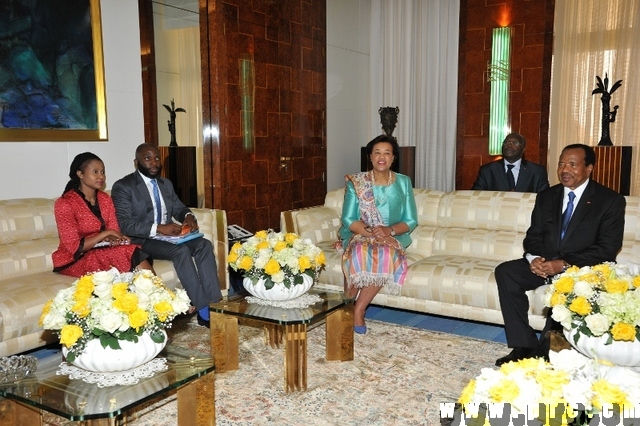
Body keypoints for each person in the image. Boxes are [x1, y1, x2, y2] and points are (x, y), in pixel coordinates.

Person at [494, 144, 625, 366]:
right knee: (506, 272)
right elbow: (533, 236)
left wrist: (563, 264)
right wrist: (534, 259)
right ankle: (523, 345)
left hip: (582, 270)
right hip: (546, 264)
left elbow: (607, 248)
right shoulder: (546, 197)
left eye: (573, 164)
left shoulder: (609, 201)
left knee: (562, 296)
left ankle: (548, 351)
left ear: (589, 168)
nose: (565, 169)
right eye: (561, 164)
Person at [111, 143, 222, 327]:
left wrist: (188, 217)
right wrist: (159, 228)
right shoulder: (123, 186)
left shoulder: (165, 183)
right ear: (136, 162)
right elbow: (125, 224)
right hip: (143, 240)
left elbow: (179, 208)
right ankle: (203, 311)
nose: (154, 163)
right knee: (181, 252)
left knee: (204, 244)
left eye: (156, 158)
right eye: (147, 158)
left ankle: (215, 304)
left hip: (168, 237)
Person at [338, 135, 418, 334]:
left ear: (393, 158)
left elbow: (410, 220)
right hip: (360, 232)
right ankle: (346, 305)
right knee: (360, 251)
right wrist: (371, 233)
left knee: (385, 254)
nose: (382, 157)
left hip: (393, 236)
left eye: (387, 153)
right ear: (370, 157)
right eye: (377, 152)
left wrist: (388, 231)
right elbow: (348, 219)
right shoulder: (356, 182)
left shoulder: (403, 182)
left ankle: (358, 310)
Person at [53, 152, 153, 277]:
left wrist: (117, 238)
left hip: (100, 250)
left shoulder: (105, 198)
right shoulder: (64, 203)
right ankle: (158, 293)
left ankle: (149, 292)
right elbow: (75, 247)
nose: (101, 176)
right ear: (80, 174)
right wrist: (105, 234)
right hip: (74, 260)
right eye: (95, 172)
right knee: (128, 254)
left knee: (131, 249)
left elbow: (114, 230)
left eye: (103, 172)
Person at [472, 132, 549, 193]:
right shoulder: (487, 170)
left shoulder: (537, 171)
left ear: (523, 149)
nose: (509, 145)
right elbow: (476, 195)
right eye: (506, 142)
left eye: (515, 143)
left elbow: (545, 199)